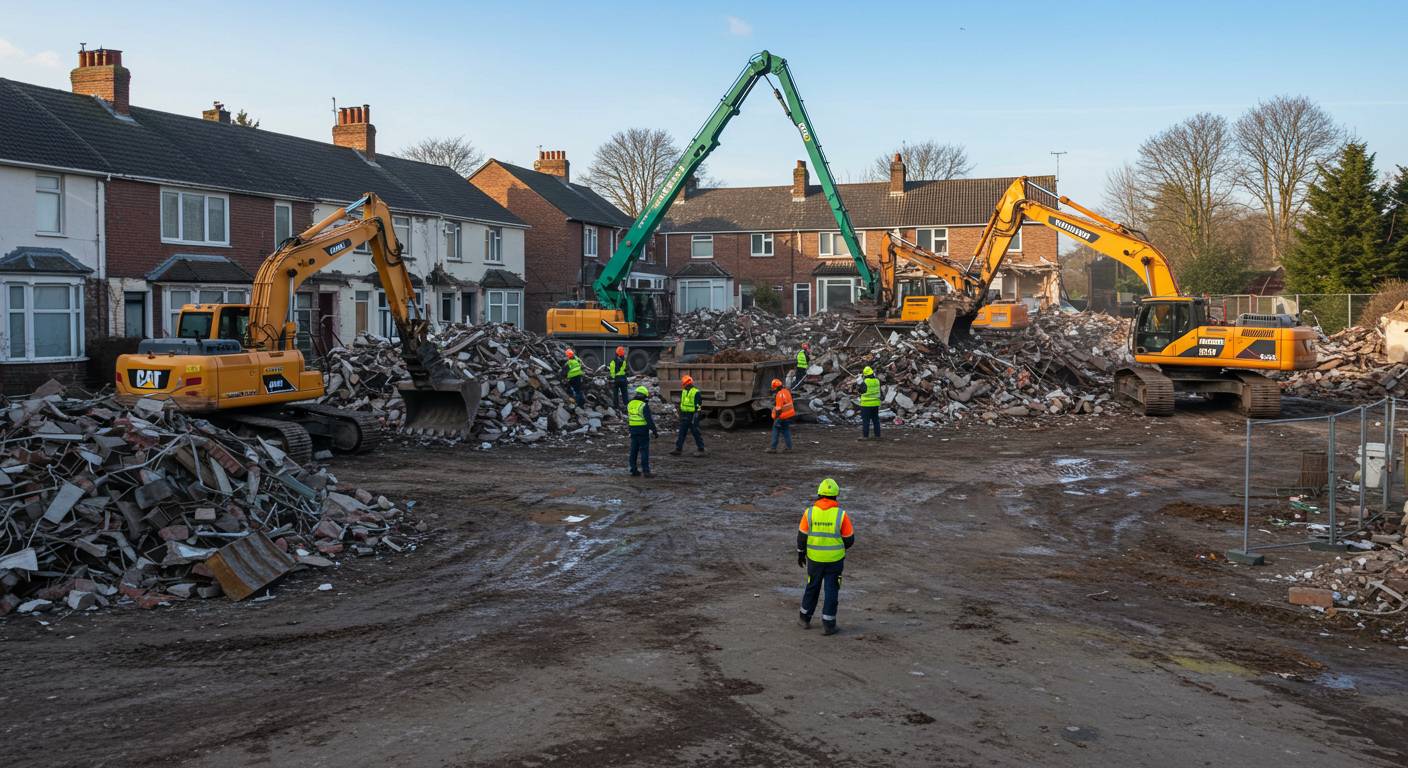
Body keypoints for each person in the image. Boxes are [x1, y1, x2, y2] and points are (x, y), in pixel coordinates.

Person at [797, 477, 855, 635]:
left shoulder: (809, 513)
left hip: (814, 560)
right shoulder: (841, 515)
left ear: (818, 495)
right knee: (831, 590)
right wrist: (838, 549)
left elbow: (802, 536)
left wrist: (801, 553)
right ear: (836, 496)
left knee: (812, 587)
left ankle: (804, 618)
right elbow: (850, 539)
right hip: (834, 561)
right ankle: (829, 625)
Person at [627, 385, 659, 477]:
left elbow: (630, 418)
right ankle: (646, 471)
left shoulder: (630, 404)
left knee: (634, 451)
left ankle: (633, 470)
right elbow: (649, 420)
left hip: (633, 429)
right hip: (642, 430)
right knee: (644, 450)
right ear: (644, 396)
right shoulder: (643, 405)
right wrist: (654, 431)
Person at [670, 375, 706, 457]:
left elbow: (699, 404)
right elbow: (682, 403)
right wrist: (681, 412)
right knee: (682, 432)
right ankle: (678, 449)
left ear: (687, 384)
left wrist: (696, 414)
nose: (683, 386)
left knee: (695, 432)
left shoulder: (696, 392)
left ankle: (701, 449)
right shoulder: (684, 391)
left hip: (693, 415)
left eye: (684, 384)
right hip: (685, 414)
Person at [766, 378, 795, 454]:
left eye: (774, 389)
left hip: (781, 416)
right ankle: (789, 448)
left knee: (775, 430)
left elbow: (778, 409)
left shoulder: (779, 394)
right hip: (789, 415)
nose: (774, 390)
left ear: (777, 387)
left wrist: (776, 419)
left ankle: (773, 448)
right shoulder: (787, 392)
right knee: (786, 431)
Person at [857, 365, 882, 440]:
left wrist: (859, 383)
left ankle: (865, 436)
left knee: (866, 421)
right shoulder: (877, 381)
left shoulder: (865, 382)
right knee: (876, 420)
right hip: (875, 404)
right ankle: (877, 436)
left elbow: (860, 391)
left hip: (866, 404)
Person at [609, 345, 630, 412]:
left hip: (616, 379)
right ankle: (626, 405)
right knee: (624, 393)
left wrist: (612, 378)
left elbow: (612, 371)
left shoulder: (613, 361)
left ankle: (616, 406)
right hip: (623, 379)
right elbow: (625, 370)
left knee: (615, 393)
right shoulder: (624, 361)